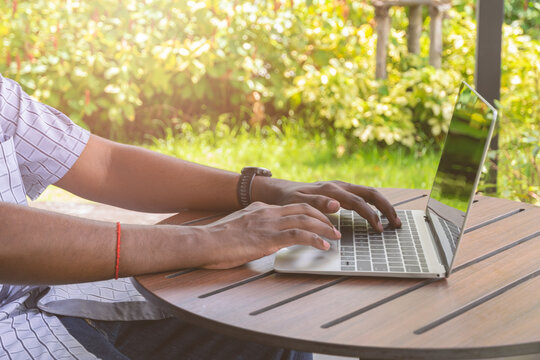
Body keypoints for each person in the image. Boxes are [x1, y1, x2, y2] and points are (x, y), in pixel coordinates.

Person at [0, 73, 401, 359]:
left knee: (262, 325)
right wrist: (209, 240)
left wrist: (264, 189)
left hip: (44, 299)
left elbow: (104, 164)